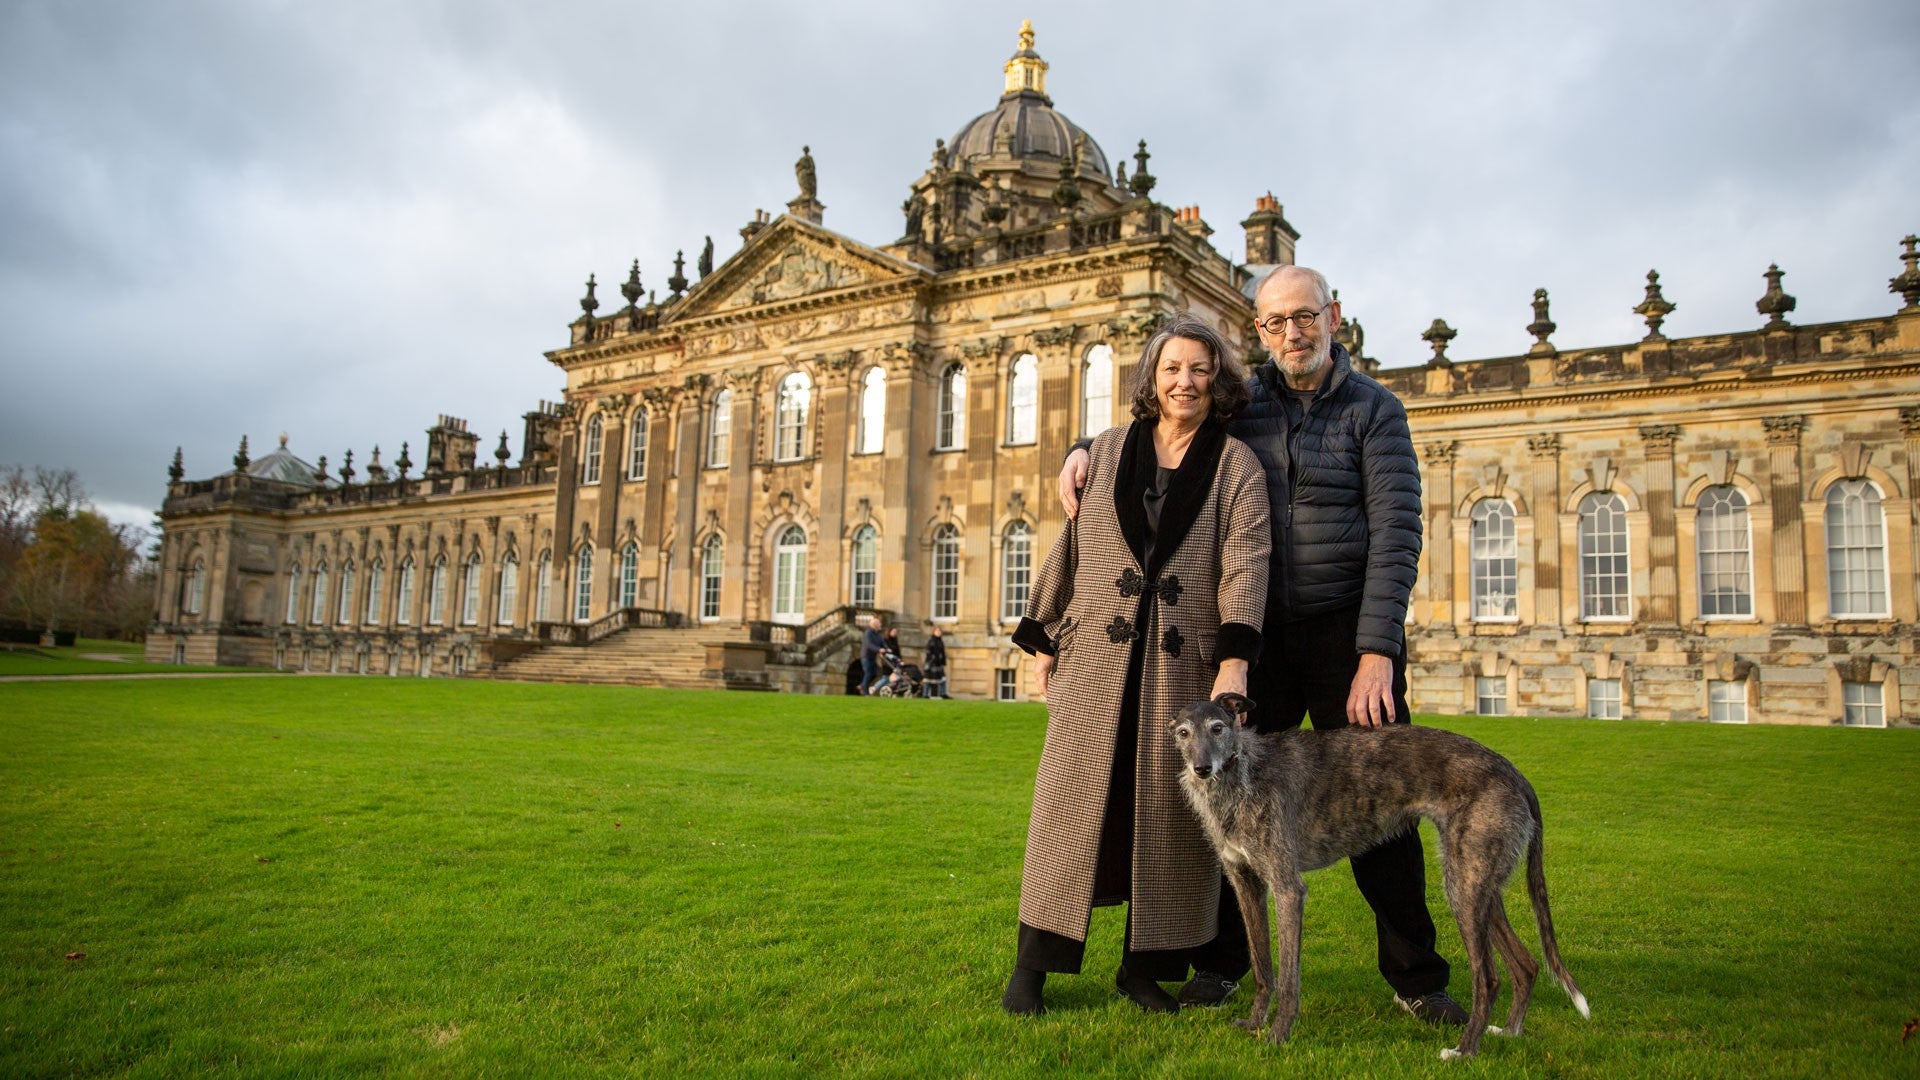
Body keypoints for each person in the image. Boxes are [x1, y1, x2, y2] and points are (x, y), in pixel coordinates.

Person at [1056, 266, 1463, 1023]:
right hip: (1258, 638)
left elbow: (1397, 537)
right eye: (1275, 324)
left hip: (1347, 637)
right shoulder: (1246, 406)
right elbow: (1164, 424)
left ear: (1332, 316)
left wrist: (1378, 651)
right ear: (1261, 331)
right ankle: (1224, 964)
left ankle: (1416, 976)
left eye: (1304, 317)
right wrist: (1083, 446)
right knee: (1231, 799)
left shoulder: (1377, 412)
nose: (1292, 334)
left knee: (1384, 808)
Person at [1004, 313, 1270, 1016]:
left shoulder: (1236, 463)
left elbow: (1245, 563)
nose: (1186, 381)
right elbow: (1074, 543)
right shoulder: (1109, 448)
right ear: (1152, 377)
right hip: (1095, 659)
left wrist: (1235, 664)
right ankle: (1033, 966)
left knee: (1169, 818)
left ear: (1219, 381)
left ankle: (1145, 967)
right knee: (1067, 809)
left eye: (1200, 370)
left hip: (1184, 667)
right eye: (1173, 368)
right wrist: (1044, 636)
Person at [859, 616, 887, 696]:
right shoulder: (868, 633)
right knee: (868, 673)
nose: (880, 624)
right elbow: (869, 644)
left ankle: (862, 685)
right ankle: (865, 691)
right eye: (879, 623)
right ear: (874, 624)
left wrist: (887, 648)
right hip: (866, 656)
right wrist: (878, 649)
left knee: (874, 673)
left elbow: (883, 643)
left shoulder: (878, 634)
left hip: (872, 657)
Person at [922, 626, 950, 698]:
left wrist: (943, 661)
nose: (938, 633)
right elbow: (928, 651)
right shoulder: (931, 641)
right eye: (937, 631)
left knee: (943, 679)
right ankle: (925, 694)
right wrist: (932, 658)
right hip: (931, 663)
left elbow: (942, 653)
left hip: (939, 663)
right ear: (934, 632)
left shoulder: (940, 642)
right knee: (928, 679)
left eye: (939, 631)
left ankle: (943, 693)